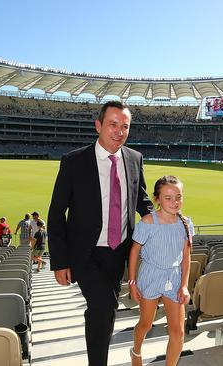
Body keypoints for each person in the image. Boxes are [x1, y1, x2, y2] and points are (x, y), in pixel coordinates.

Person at [48, 101, 153, 366]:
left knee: (106, 311)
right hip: (86, 253)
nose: (119, 131)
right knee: (102, 308)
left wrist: (162, 218)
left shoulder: (134, 158)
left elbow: (140, 199)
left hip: (119, 253)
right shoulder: (74, 161)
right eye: (113, 124)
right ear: (98, 126)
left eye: (125, 126)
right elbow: (56, 213)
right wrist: (60, 261)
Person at [128, 176, 193, 366]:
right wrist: (132, 283)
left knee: (178, 331)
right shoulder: (148, 222)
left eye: (178, 197)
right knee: (145, 324)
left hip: (174, 278)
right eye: (168, 198)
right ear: (157, 199)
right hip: (151, 276)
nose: (175, 202)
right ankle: (136, 351)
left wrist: (184, 286)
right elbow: (134, 251)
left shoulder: (186, 223)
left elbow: (186, 257)